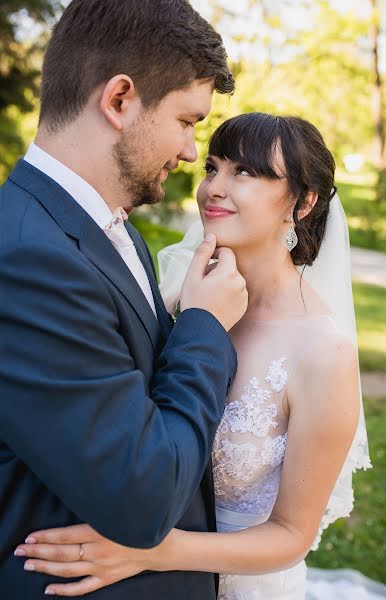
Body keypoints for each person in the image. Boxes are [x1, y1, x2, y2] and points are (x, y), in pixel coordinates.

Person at [14, 113, 381, 599]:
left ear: (304, 201)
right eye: (213, 167)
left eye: (245, 172)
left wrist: (150, 551)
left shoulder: (322, 352)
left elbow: (291, 535)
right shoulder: (178, 298)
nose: (214, 188)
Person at [0, 1, 250, 598]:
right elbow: (144, 495)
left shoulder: (117, 231)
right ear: (119, 100)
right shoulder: (27, 258)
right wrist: (204, 325)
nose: (192, 152)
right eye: (188, 121)